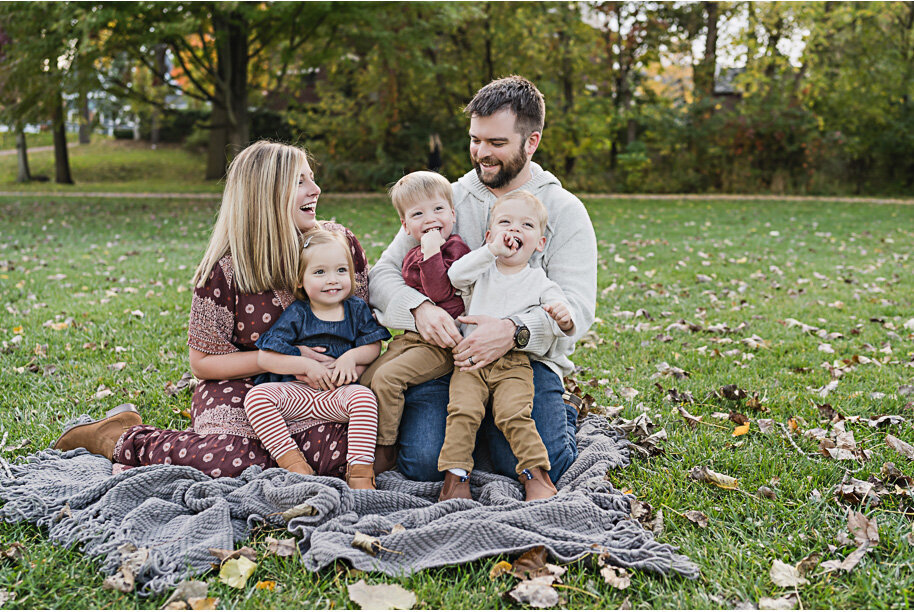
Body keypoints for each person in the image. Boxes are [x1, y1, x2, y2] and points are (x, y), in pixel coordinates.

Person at [54, 141, 370, 479]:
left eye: (312, 178)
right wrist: (279, 359)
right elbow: (202, 364)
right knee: (234, 459)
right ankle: (119, 437)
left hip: (324, 385)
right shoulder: (226, 268)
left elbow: (365, 324)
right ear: (265, 194)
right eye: (300, 182)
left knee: (345, 455)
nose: (316, 189)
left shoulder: (339, 245)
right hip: (243, 385)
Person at [369, 75, 597, 484]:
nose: (481, 153)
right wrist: (419, 308)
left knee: (548, 465)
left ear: (532, 142)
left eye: (496, 143)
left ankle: (521, 423)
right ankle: (478, 434)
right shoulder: (445, 199)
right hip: (450, 360)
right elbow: (382, 274)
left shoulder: (564, 209)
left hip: (526, 362)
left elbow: (577, 310)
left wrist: (514, 331)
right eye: (476, 140)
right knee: (422, 465)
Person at [438, 191, 575, 502]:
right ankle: (456, 477)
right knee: (463, 411)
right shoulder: (480, 269)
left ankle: (535, 474)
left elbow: (561, 317)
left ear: (539, 243)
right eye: (505, 222)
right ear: (490, 235)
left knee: (514, 414)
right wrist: (489, 251)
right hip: (470, 361)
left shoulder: (539, 280)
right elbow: (455, 275)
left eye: (526, 225)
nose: (514, 230)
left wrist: (564, 318)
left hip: (514, 363)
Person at [243, 229, 390, 489]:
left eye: (341, 271)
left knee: (365, 399)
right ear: (300, 280)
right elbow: (267, 356)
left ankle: (360, 475)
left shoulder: (355, 309)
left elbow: (374, 345)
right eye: (320, 272)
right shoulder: (298, 313)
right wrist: (304, 363)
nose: (332, 280)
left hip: (337, 394)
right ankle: (294, 465)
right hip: (298, 393)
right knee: (257, 397)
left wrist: (350, 357)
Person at [358, 171, 470, 473]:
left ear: (452, 214)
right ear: (405, 225)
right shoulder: (411, 251)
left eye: (438, 210)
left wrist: (432, 251)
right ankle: (360, 442)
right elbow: (382, 279)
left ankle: (385, 449)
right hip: (410, 337)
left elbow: (439, 290)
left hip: (441, 346)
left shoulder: (455, 250)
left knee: (388, 379)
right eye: (418, 214)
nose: (430, 219)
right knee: (365, 381)